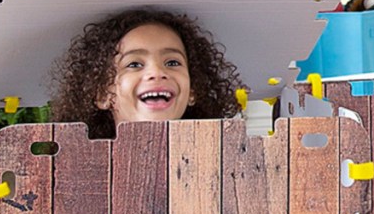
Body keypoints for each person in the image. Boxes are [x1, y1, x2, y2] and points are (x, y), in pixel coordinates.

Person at [50, 8, 243, 137]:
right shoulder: (73, 176)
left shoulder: (225, 168)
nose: (157, 72)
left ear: (193, 90)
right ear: (102, 94)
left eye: (173, 62)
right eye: (134, 64)